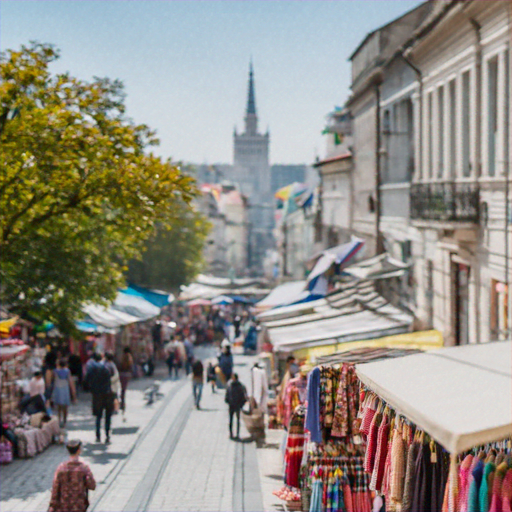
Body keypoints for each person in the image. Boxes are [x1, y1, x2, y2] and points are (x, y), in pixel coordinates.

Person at [48, 439, 96, 512]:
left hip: (63, 506)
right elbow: (92, 486)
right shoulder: (84, 468)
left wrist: (52, 506)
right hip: (79, 506)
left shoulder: (61, 468)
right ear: (79, 450)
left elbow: (55, 488)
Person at [84, 353, 113, 444]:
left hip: (97, 395)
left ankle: (98, 435)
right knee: (108, 416)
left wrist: (89, 389)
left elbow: (86, 381)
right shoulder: (105, 369)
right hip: (107, 394)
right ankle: (107, 434)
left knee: (98, 416)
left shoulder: (91, 369)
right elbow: (109, 381)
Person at [52, 359, 76, 428]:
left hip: (58, 389)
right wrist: (73, 393)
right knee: (65, 406)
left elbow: (53, 380)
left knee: (59, 407)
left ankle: (59, 420)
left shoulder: (55, 371)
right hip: (65, 389)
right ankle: (65, 421)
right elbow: (70, 381)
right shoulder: (67, 371)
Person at [225, 373, 247, 440]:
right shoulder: (231, 385)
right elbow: (227, 395)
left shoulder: (239, 386)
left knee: (236, 420)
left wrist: (241, 404)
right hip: (233, 405)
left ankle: (236, 434)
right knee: (232, 420)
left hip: (236, 405)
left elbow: (244, 397)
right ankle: (232, 433)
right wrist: (228, 401)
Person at [119, 347, 133, 414]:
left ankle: (122, 402)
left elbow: (122, 365)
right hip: (127, 374)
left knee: (122, 389)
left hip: (122, 374)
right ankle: (122, 402)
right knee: (123, 389)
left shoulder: (123, 357)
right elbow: (130, 366)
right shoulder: (129, 357)